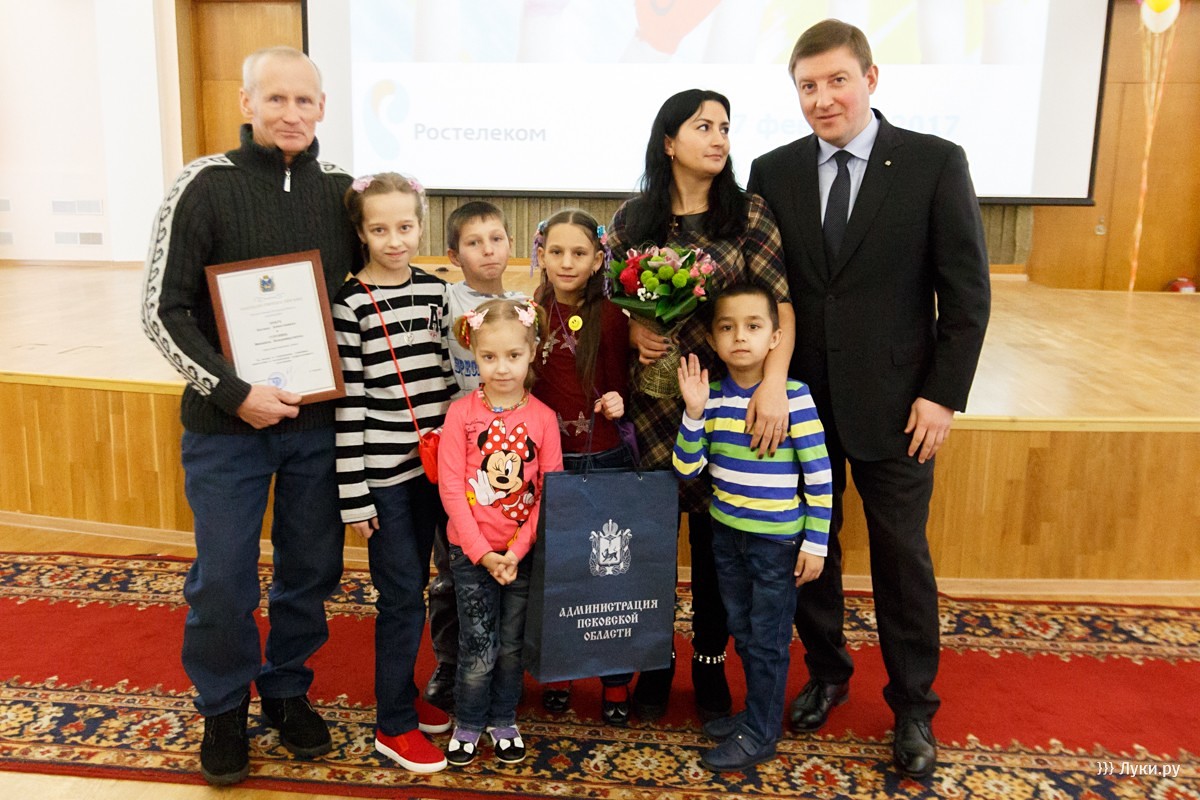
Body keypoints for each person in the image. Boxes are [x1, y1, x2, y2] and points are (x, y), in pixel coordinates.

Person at [746, 19, 991, 779]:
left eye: (837, 81)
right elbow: (767, 291)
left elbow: (967, 295)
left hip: (899, 407)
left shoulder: (933, 162)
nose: (823, 99)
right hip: (800, 404)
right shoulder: (773, 170)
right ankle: (827, 673)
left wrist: (941, 396)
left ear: (871, 78)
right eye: (807, 86)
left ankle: (914, 707)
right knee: (808, 549)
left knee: (901, 559)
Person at [139, 46, 359, 785]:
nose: (291, 114)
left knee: (311, 570)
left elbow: (363, 292)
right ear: (246, 103)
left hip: (317, 427)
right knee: (224, 580)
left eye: (304, 100)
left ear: (323, 107)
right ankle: (224, 705)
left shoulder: (343, 192)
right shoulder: (202, 185)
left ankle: (287, 688)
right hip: (226, 430)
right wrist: (236, 393)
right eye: (275, 99)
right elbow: (162, 312)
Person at [607, 88, 793, 722]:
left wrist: (772, 384)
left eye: (725, 127)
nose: (719, 138)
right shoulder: (633, 218)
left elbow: (781, 306)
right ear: (669, 141)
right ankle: (655, 662)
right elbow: (608, 302)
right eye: (703, 126)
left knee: (720, 550)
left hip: (727, 406)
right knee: (653, 546)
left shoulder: (748, 214)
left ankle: (710, 662)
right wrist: (633, 327)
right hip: (653, 407)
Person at [673, 282, 832, 771]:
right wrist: (694, 412)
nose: (740, 336)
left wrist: (816, 544)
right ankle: (754, 715)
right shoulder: (712, 398)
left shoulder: (794, 398)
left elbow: (819, 476)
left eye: (753, 326)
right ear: (713, 338)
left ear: (775, 337)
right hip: (726, 537)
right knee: (742, 632)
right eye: (727, 327)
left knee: (766, 640)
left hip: (776, 544)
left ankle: (761, 733)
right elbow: (687, 469)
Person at [332, 172, 455, 773]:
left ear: (420, 225)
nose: (394, 240)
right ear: (361, 232)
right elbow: (350, 402)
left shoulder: (436, 292)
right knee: (402, 596)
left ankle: (403, 693)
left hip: (437, 469)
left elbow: (452, 376)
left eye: (405, 226)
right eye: (379, 229)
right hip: (384, 477)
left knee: (429, 585)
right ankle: (393, 725)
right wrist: (354, 493)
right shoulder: (350, 302)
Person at [438, 298, 564, 766]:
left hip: (520, 556)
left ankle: (503, 718)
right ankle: (469, 722)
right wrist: (482, 552)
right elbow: (452, 488)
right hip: (471, 555)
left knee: (511, 645)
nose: (502, 367)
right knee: (478, 644)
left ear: (532, 352)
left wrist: (517, 550)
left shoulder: (544, 418)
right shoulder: (460, 415)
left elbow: (549, 491)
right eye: (489, 357)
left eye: (513, 355)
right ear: (474, 354)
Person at [529, 208, 633, 725]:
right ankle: (560, 673)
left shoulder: (613, 316)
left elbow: (623, 384)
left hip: (604, 458)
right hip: (550, 464)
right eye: (556, 252)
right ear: (541, 255)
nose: (567, 262)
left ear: (597, 260)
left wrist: (617, 400)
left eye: (579, 253)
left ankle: (615, 681)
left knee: (609, 574)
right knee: (557, 574)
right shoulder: (529, 312)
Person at [424, 201, 525, 713]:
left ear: (511, 244)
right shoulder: (445, 300)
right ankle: (450, 662)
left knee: (512, 567)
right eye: (473, 242)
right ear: (453, 254)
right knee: (452, 568)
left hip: (512, 461)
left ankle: (508, 666)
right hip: (458, 457)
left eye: (496, 238)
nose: (488, 250)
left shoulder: (525, 306)